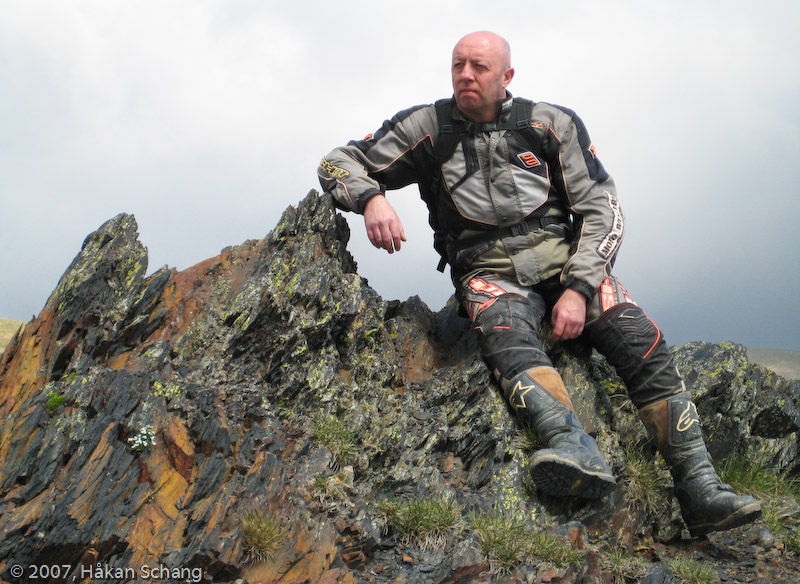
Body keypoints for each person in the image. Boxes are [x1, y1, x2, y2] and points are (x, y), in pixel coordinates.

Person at [317, 31, 761, 537]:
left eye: (479, 66)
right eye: (458, 64)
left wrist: (577, 288)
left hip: (570, 265)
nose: (466, 74)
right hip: (488, 276)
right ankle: (571, 447)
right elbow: (336, 161)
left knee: (641, 342)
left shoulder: (551, 124)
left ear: (506, 77)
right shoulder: (427, 127)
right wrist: (371, 197)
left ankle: (701, 489)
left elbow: (603, 209)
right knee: (510, 342)